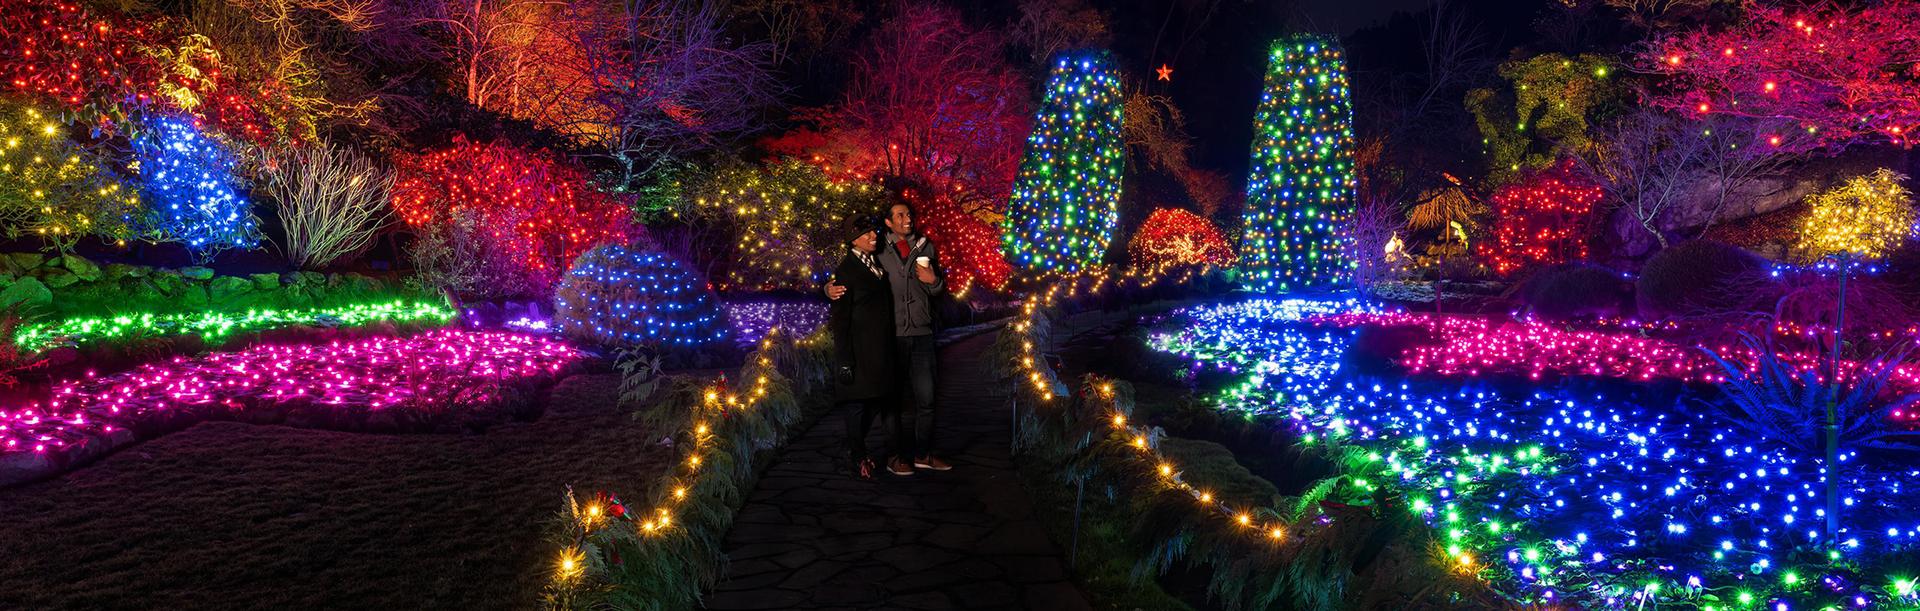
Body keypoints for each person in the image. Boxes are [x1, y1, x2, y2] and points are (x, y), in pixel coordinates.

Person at [826, 201, 952, 476]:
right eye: (901, 215)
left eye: (910, 213)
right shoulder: (879, 249)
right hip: (891, 336)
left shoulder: (926, 247)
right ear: (888, 222)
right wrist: (827, 288)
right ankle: (895, 457)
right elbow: (849, 275)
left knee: (927, 398)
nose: (908, 219)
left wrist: (934, 281)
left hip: (921, 333)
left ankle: (923, 453)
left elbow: (939, 290)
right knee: (891, 401)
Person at [829, 222, 905, 480]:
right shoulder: (847, 270)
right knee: (857, 405)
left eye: (873, 231)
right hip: (859, 351)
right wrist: (845, 358)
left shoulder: (872, 263)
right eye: (866, 233)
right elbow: (840, 319)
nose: (874, 235)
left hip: (879, 350)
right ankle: (858, 455)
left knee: (874, 401)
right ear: (853, 240)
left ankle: (854, 449)